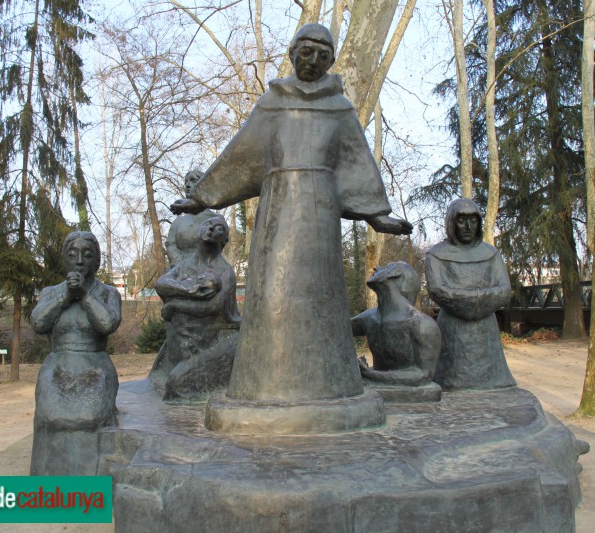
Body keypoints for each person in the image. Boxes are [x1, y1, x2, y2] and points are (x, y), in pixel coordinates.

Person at [172, 23, 411, 407]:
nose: (313, 61)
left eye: (322, 55)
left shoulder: (340, 108)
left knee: (321, 294)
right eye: (306, 52)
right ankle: (263, 382)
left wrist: (377, 217)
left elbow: (357, 167)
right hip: (277, 212)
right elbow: (240, 156)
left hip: (321, 217)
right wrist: (202, 198)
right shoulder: (273, 102)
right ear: (293, 53)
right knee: (274, 294)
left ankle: (329, 383)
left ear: (331, 60)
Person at [29, 231, 122, 475]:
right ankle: (48, 486)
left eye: (87, 254)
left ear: (97, 261)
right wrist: (66, 296)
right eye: (73, 255)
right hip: (58, 364)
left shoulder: (108, 293)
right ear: (64, 259)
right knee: (50, 416)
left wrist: (84, 296)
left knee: (90, 417)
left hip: (95, 366)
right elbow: (38, 323)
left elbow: (107, 324)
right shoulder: (51, 292)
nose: (79, 260)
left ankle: (92, 488)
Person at [426, 198, 516, 390]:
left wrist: (467, 299)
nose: (468, 226)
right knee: (451, 388)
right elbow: (437, 290)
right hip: (452, 330)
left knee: (493, 390)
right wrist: (480, 297)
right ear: (452, 222)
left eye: (473, 220)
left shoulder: (491, 253)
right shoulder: (436, 254)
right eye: (461, 220)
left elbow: (504, 291)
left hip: (486, 332)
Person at [151, 216, 241, 401]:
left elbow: (213, 307)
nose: (210, 229)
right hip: (183, 341)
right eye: (208, 224)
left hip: (214, 342)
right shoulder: (185, 264)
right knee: (171, 380)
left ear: (223, 241)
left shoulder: (225, 272)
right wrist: (189, 290)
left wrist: (176, 304)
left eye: (219, 228)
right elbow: (161, 283)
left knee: (178, 383)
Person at [165, 170, 218, 266]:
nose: (188, 185)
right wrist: (179, 262)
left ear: (204, 184)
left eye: (193, 180)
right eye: (186, 182)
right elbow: (170, 244)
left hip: (208, 270)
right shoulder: (178, 222)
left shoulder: (216, 220)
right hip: (180, 270)